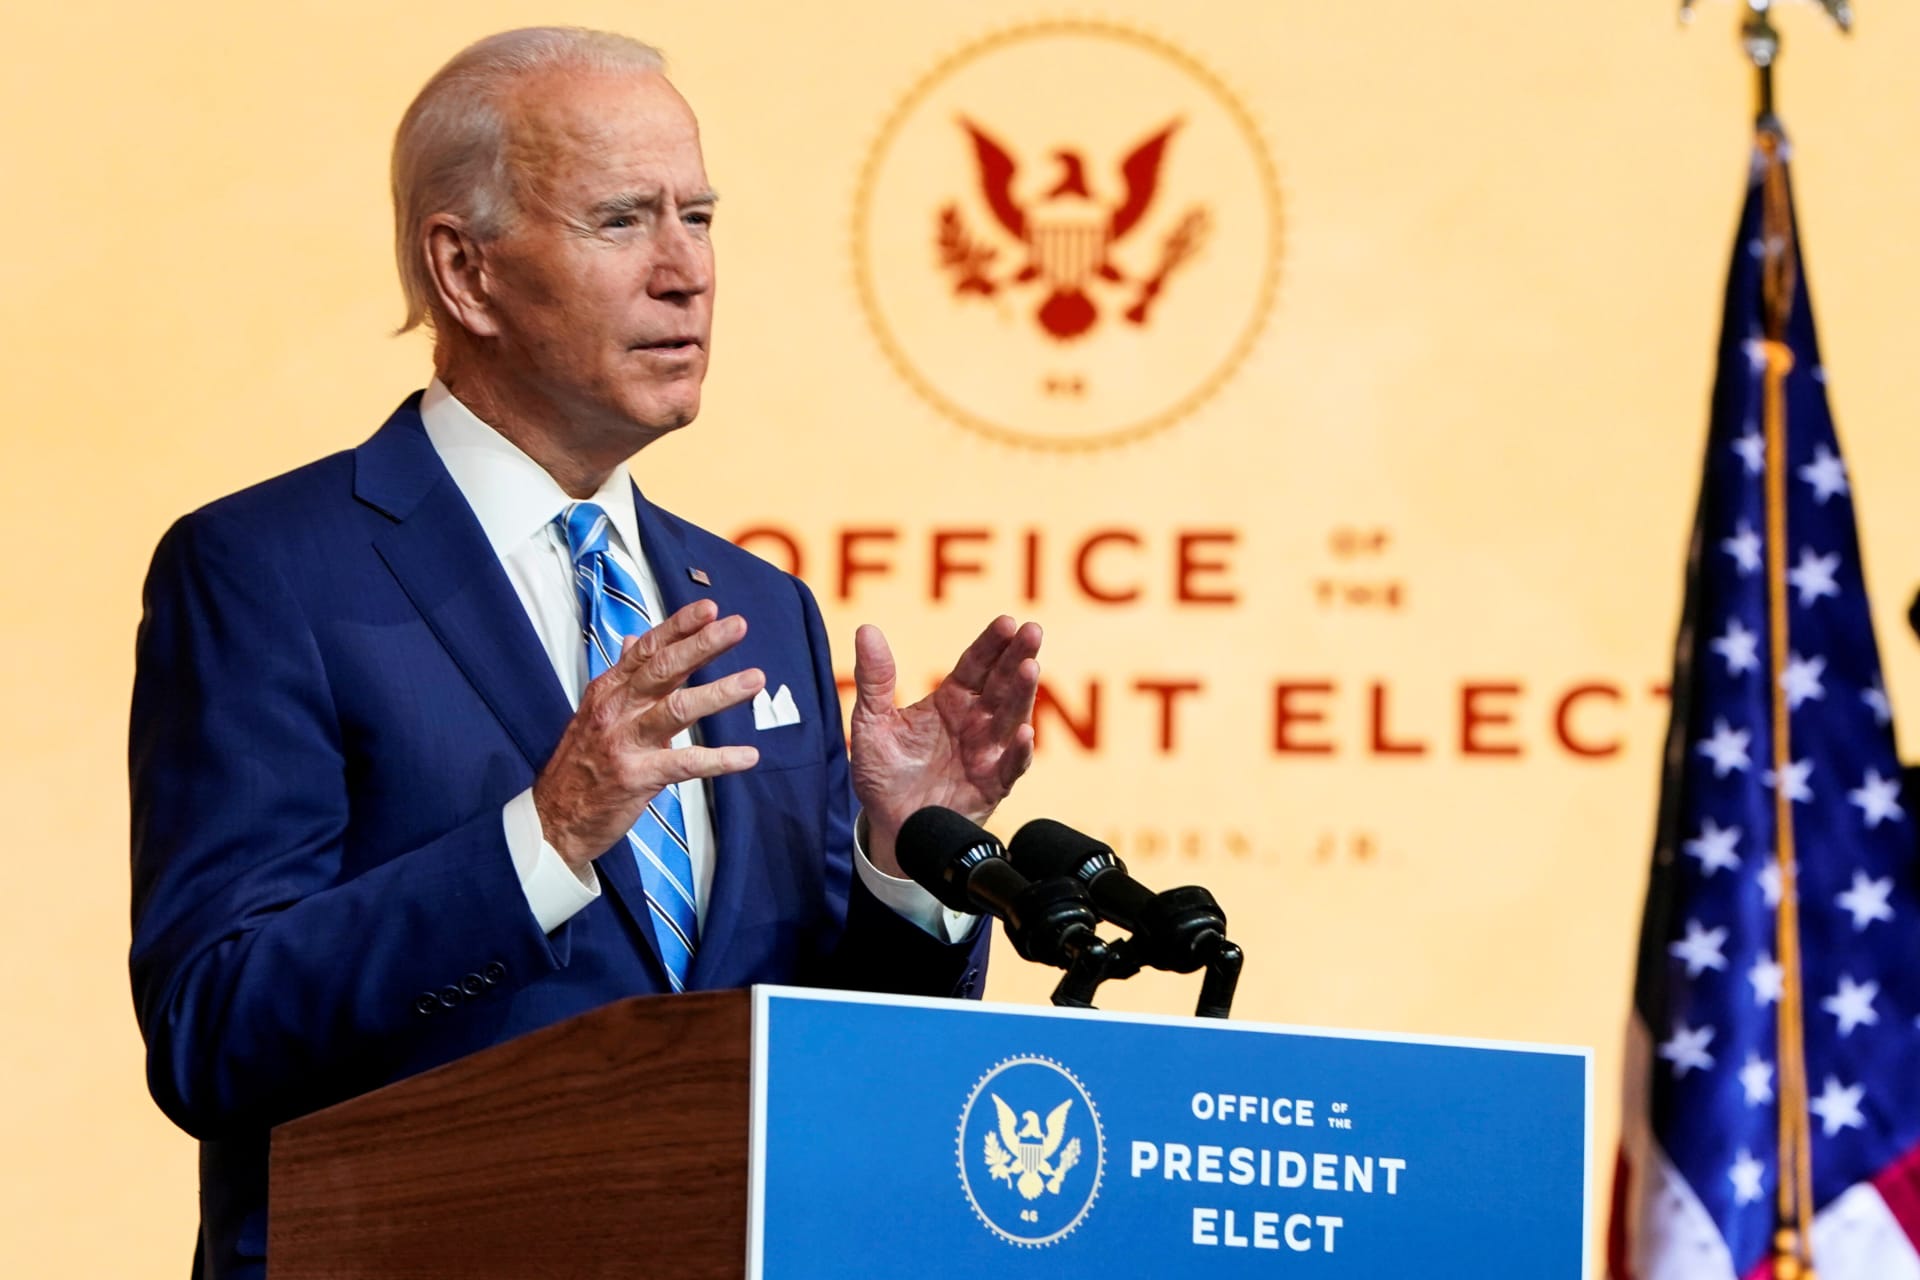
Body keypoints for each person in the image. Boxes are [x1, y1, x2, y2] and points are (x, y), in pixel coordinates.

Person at [127, 27, 1041, 1280]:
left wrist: (903, 871)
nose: (686, 273)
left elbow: (834, 1066)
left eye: (701, 217)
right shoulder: (269, 569)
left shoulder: (761, 606)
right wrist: (545, 837)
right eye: (623, 221)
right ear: (467, 272)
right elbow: (210, 1030)